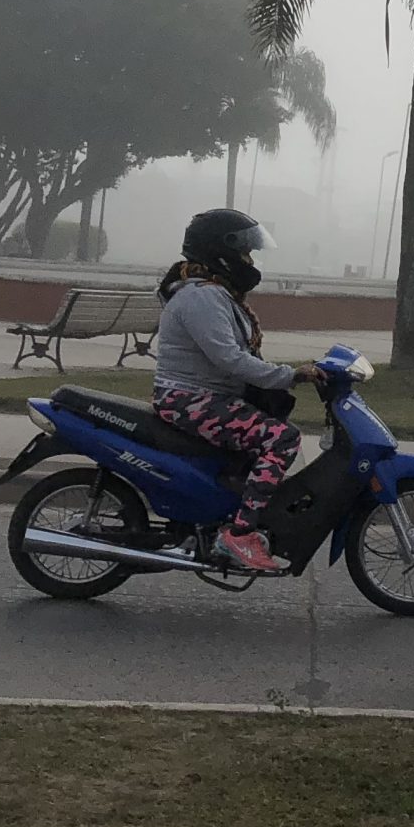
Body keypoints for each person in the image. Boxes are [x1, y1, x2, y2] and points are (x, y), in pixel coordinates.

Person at [149, 208, 302, 574]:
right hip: (190, 399)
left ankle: (227, 514)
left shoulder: (214, 294)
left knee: (258, 436)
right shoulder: (201, 297)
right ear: (222, 250)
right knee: (282, 440)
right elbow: (230, 359)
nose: (249, 260)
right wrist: (291, 375)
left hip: (205, 396)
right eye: (245, 252)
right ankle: (240, 534)